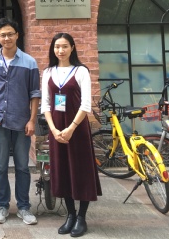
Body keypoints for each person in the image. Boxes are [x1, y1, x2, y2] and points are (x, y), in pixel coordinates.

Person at [0, 18, 41, 225]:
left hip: (22, 121)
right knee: (0, 166)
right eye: (2, 35)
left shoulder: (29, 62)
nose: (6, 38)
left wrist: (32, 120)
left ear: (17, 35)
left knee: (23, 166)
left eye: (10, 34)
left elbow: (34, 93)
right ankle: (2, 206)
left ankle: (24, 207)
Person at [41, 33, 102, 238]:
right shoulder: (48, 72)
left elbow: (86, 104)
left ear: (72, 48)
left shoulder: (81, 71)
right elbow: (46, 104)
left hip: (77, 129)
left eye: (65, 46)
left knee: (81, 170)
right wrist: (54, 130)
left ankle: (81, 217)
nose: (60, 50)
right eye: (57, 46)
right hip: (57, 129)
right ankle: (70, 215)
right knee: (63, 170)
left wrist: (71, 128)